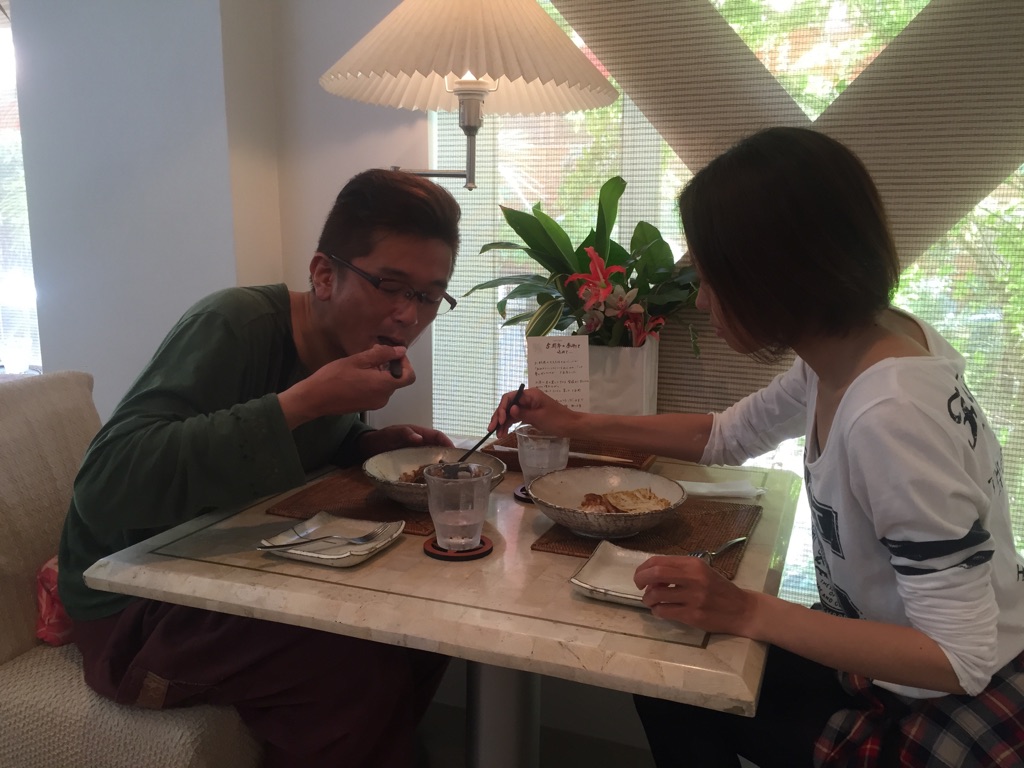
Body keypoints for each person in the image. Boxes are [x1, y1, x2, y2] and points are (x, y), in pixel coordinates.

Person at [488, 128, 1024, 767]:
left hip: (945, 701)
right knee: (666, 669)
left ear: (772, 274)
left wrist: (745, 610)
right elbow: (724, 435)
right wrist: (573, 422)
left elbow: (958, 659)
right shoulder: (860, 344)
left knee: (677, 679)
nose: (701, 299)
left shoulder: (891, 415)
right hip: (901, 659)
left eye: (710, 278)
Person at [59, 168, 462, 767]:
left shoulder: (347, 351)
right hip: (131, 606)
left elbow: (302, 444)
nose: (408, 314)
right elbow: (104, 481)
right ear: (323, 275)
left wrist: (366, 443)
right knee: (356, 665)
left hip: (232, 571)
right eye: (390, 285)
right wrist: (303, 402)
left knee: (427, 628)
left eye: (428, 296)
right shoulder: (233, 325)